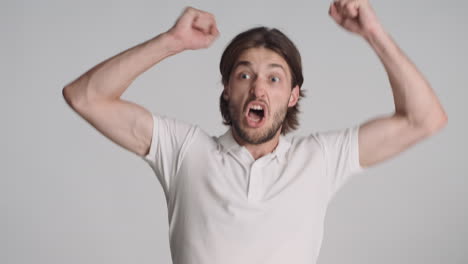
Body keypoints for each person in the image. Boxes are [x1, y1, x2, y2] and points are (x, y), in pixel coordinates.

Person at [62, 1, 447, 264]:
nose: (258, 89)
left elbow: (425, 118)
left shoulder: (320, 159)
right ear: (227, 88)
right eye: (245, 74)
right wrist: (171, 42)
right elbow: (85, 97)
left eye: (274, 78)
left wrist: (373, 32)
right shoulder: (184, 151)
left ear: (293, 95)